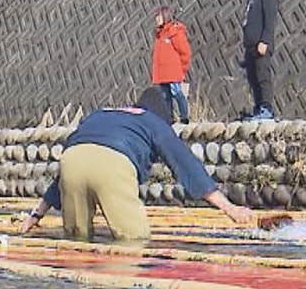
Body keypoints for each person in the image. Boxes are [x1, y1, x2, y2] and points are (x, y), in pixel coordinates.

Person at [20, 87, 253, 242]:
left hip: (71, 161)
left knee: (77, 243)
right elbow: (187, 166)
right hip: (113, 166)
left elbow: (62, 178)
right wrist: (230, 209)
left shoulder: (101, 114)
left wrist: (35, 215)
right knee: (134, 241)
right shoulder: (154, 122)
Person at [240, 0, 278, 121]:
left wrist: (265, 40)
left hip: (261, 44)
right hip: (250, 46)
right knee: (253, 78)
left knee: (263, 76)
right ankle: (258, 107)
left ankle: (266, 108)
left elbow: (270, 20)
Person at [150, 7, 192, 124]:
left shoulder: (174, 32)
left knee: (177, 93)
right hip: (163, 74)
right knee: (165, 97)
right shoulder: (159, 34)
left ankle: (184, 117)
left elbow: (185, 52)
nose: (156, 19)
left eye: (158, 16)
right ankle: (169, 119)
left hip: (173, 73)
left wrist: (181, 69)